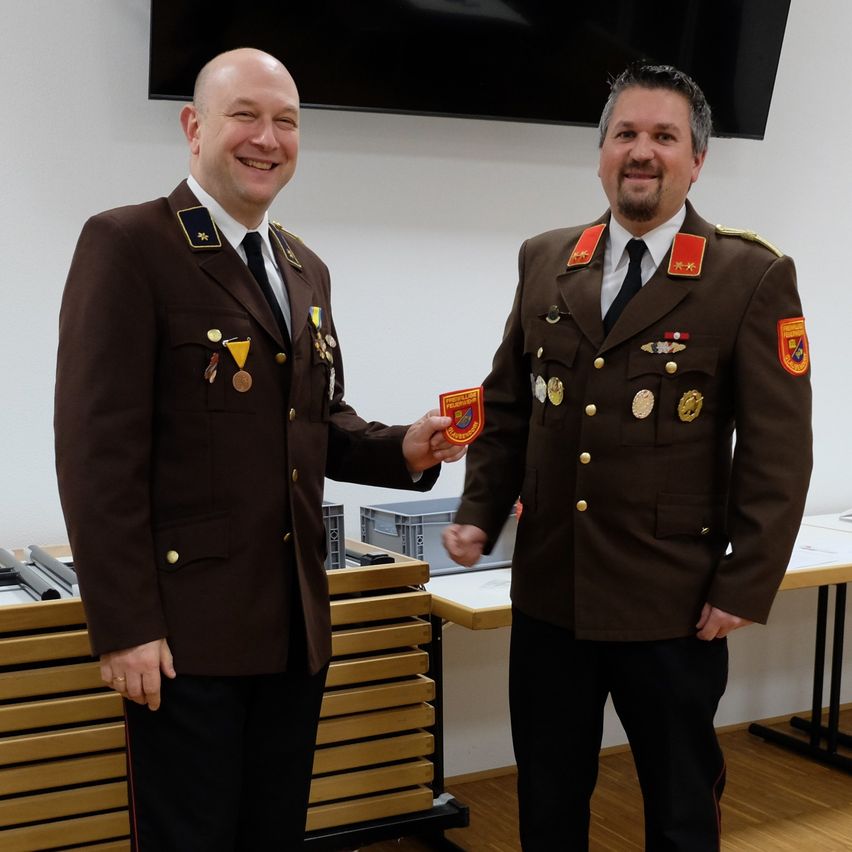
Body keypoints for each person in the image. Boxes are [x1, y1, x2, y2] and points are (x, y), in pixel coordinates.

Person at [55, 47, 463, 851]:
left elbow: (314, 423)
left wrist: (404, 450)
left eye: (286, 122)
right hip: (183, 637)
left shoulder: (304, 268)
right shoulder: (130, 244)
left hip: (293, 628)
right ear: (194, 126)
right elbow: (96, 454)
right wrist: (125, 624)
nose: (266, 139)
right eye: (246, 115)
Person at [443, 62, 812, 851]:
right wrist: (477, 513)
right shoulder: (546, 258)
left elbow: (779, 452)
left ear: (696, 160)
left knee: (680, 805)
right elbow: (507, 404)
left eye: (663, 137)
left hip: (671, 605)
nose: (641, 152)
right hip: (550, 594)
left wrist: (745, 582)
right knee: (548, 799)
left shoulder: (748, 276)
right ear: (601, 151)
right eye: (626, 135)